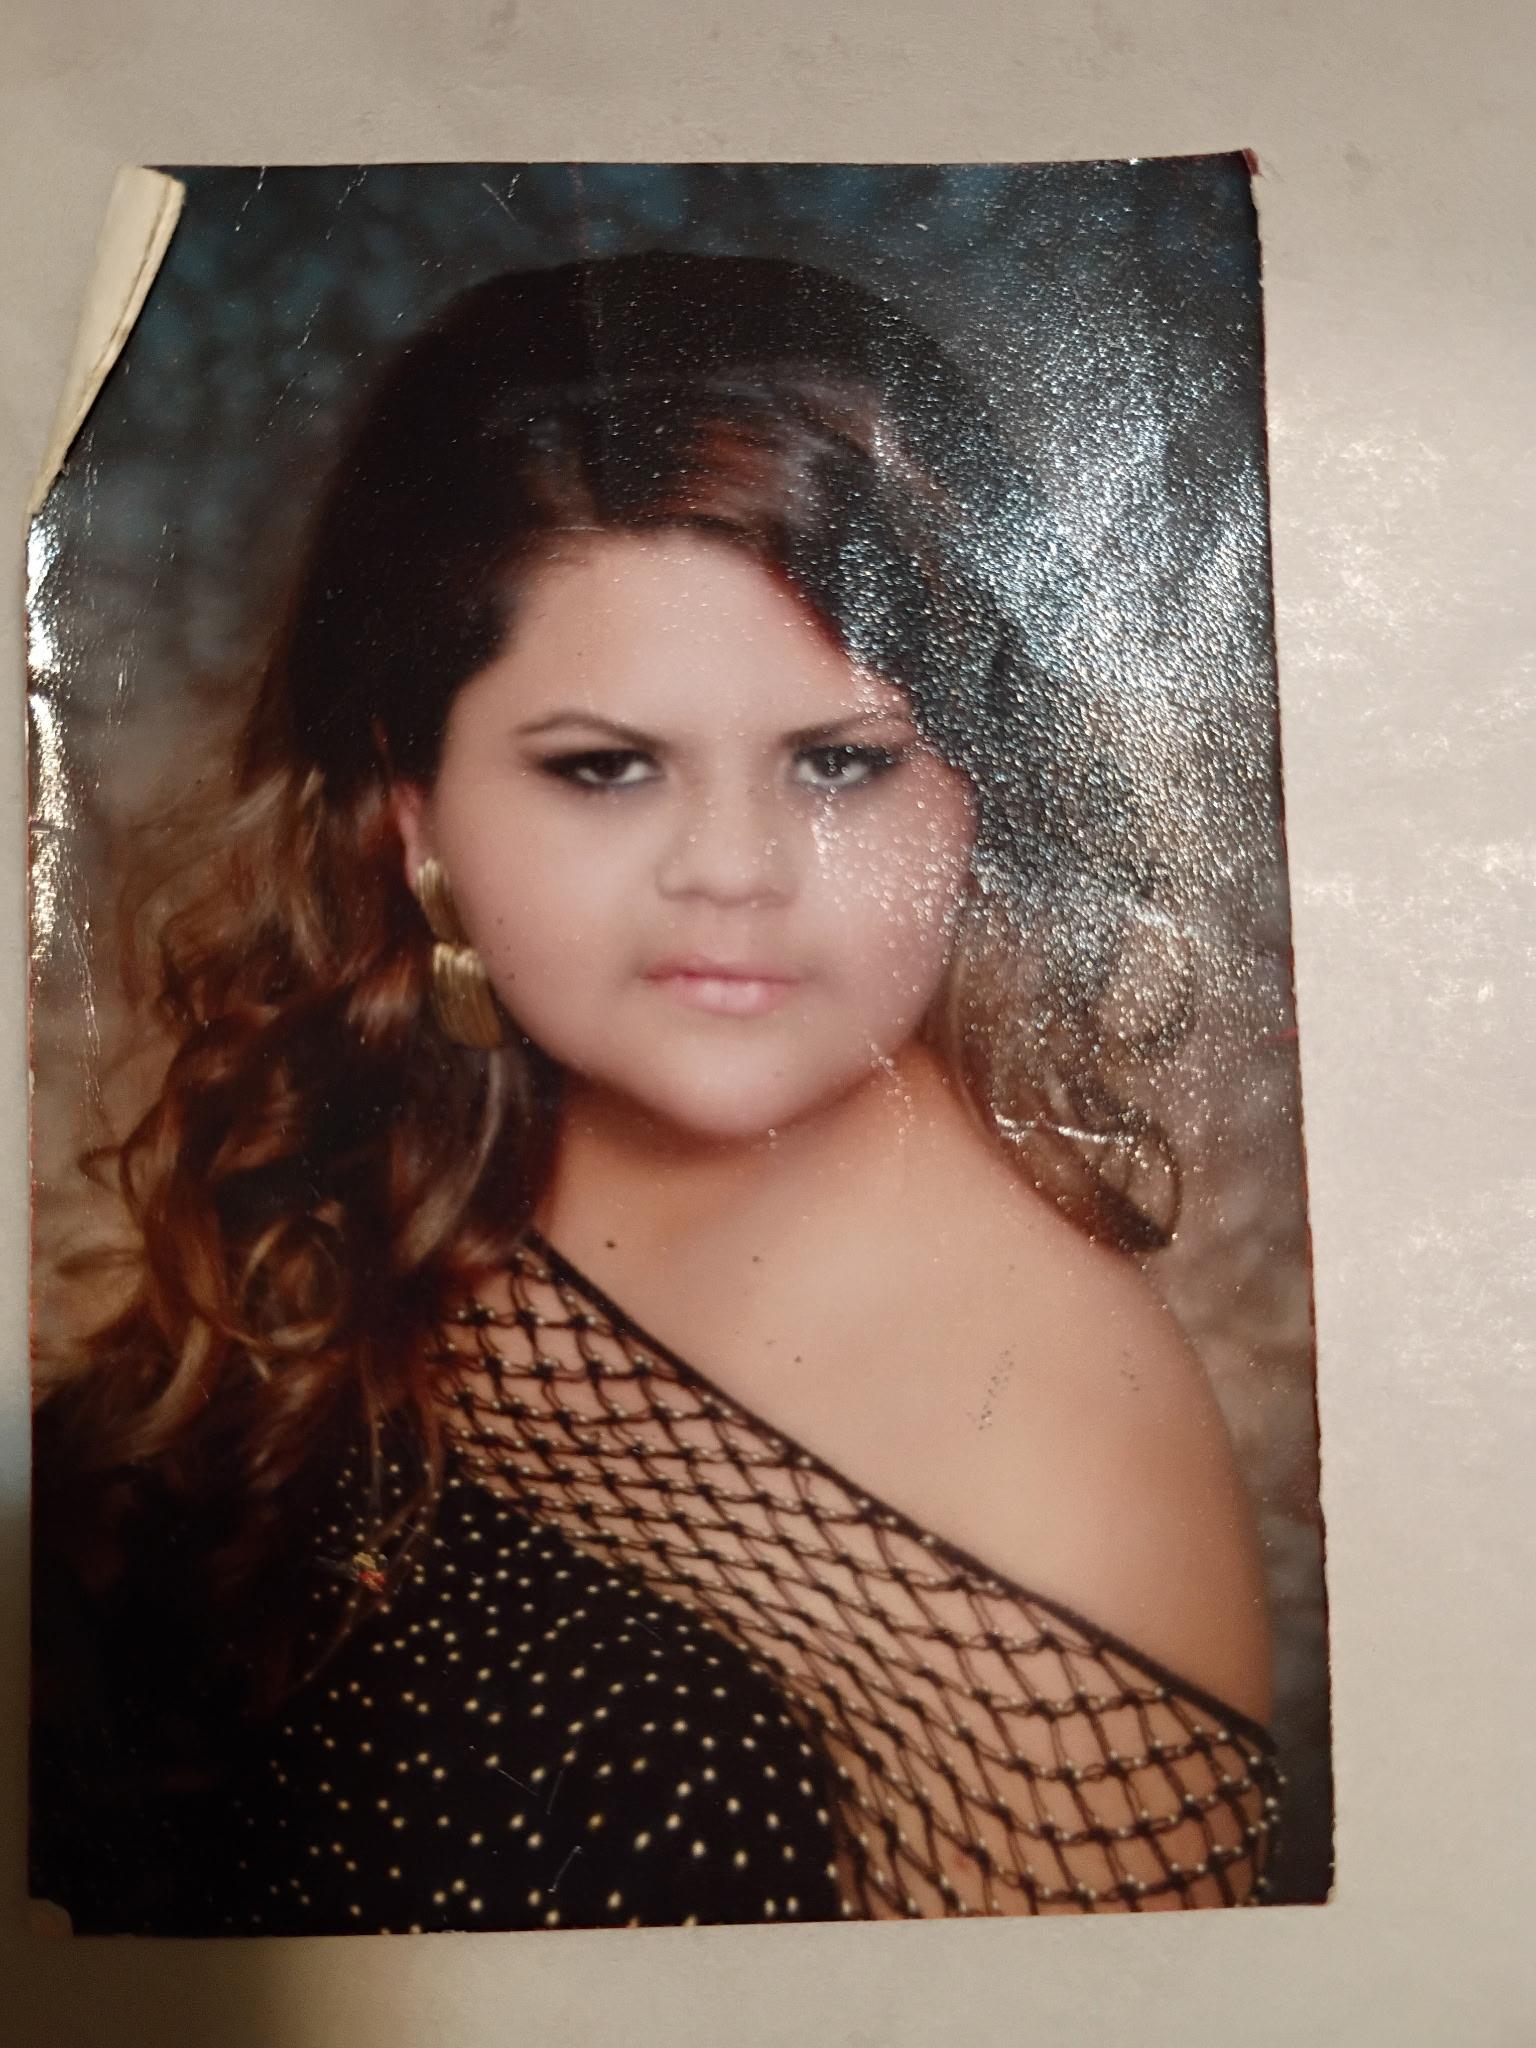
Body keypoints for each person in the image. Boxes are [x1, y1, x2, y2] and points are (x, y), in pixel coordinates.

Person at [30, 250, 1280, 1934]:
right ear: (414, 813)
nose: (733, 875)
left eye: (839, 762)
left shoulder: (1068, 1473)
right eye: (605, 768)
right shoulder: (410, 1136)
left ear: (982, 793)